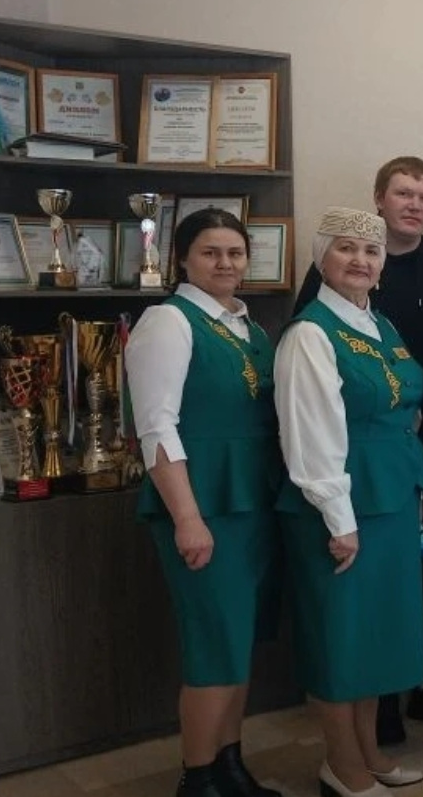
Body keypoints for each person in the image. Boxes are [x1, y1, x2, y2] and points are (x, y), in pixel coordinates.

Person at [294, 156, 423, 742]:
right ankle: (377, 710)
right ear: (379, 198)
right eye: (403, 193)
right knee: (366, 590)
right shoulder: (330, 290)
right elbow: (312, 381)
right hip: (355, 460)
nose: (414, 205)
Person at [274, 207, 423, 797]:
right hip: (339, 507)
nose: (360, 261)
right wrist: (339, 520)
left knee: (374, 635)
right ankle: (341, 764)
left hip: (389, 498)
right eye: (345, 248)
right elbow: (311, 436)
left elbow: (402, 411)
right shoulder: (310, 334)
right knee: (339, 637)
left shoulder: (380, 325)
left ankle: (369, 752)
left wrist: (413, 491)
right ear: (322, 259)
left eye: (371, 251)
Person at [127, 209, 283, 797]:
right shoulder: (169, 321)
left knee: (237, 640)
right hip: (203, 506)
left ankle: (229, 766)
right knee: (213, 645)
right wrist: (187, 518)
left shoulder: (250, 328)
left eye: (235, 253)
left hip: (252, 503)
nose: (225, 263)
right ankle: (197, 778)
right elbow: (156, 428)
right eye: (210, 252)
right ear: (183, 259)